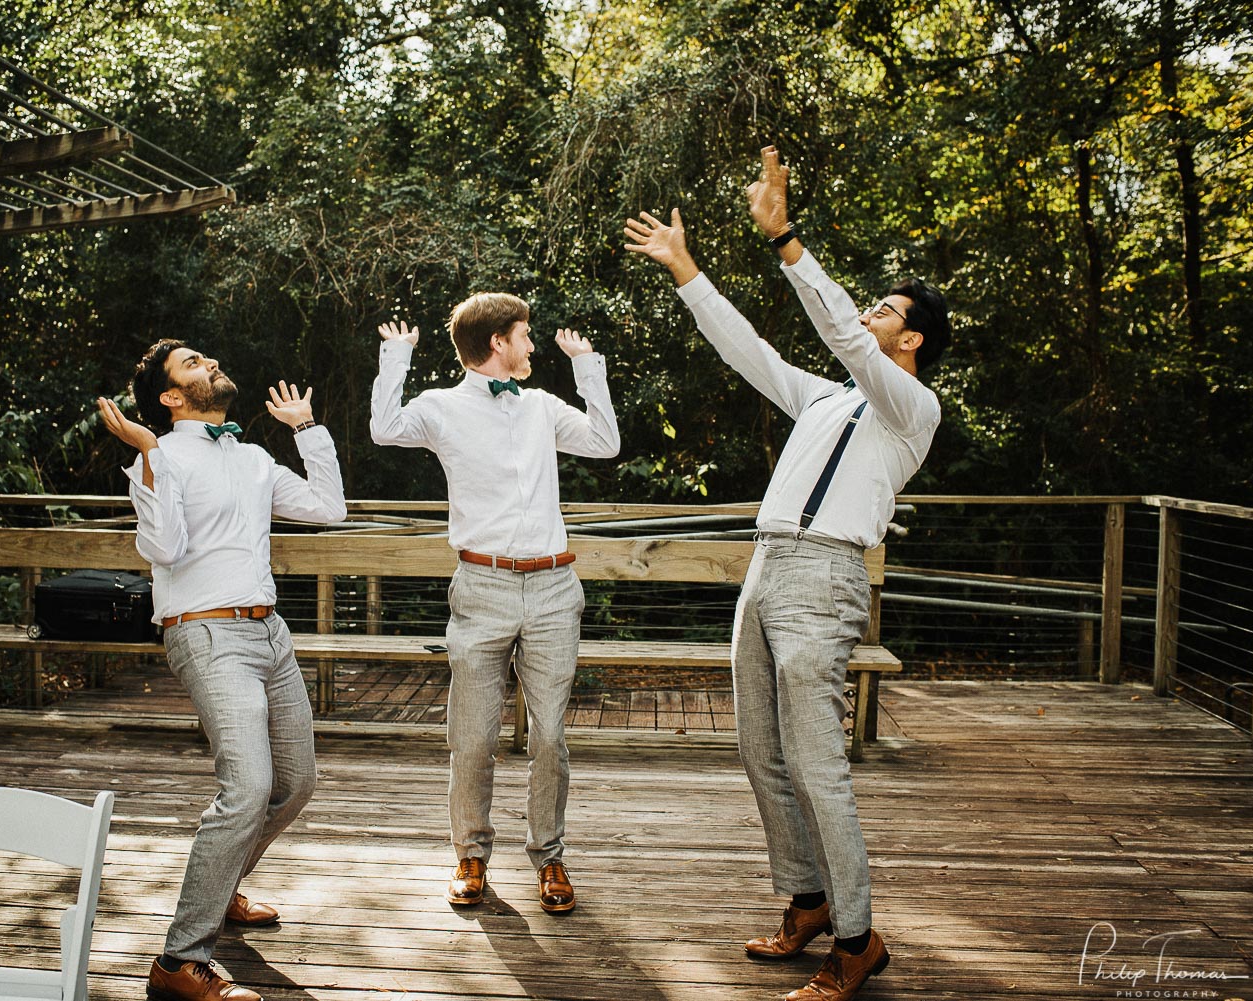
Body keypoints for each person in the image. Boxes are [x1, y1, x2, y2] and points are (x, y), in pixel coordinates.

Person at [624, 146, 950, 1001]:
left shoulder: (912, 406)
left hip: (826, 577)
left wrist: (788, 239)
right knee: (760, 751)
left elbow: (842, 329)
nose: (869, 314)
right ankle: (805, 900)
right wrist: (688, 269)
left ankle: (856, 938)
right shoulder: (826, 398)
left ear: (908, 338)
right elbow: (748, 350)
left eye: (885, 309)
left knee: (817, 764)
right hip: (766, 568)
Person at [98, 340, 346, 1001]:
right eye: (191, 365)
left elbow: (329, 507)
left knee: (296, 781)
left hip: (269, 632)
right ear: (171, 397)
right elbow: (164, 547)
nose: (208, 364)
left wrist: (308, 431)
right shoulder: (160, 457)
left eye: (205, 357)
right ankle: (180, 960)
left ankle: (223, 886)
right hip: (206, 633)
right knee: (248, 783)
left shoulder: (252, 457)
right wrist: (148, 451)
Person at [369, 295, 620, 912]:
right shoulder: (441, 407)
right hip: (481, 588)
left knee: (551, 738)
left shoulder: (539, 405)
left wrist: (590, 369)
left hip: (555, 588)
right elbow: (383, 428)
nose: (533, 346)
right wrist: (395, 359)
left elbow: (605, 443)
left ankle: (550, 858)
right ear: (498, 344)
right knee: (474, 737)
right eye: (525, 336)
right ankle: (471, 855)